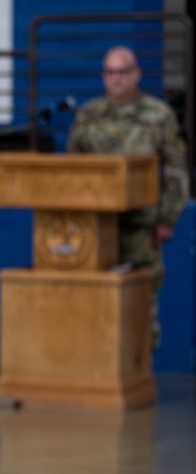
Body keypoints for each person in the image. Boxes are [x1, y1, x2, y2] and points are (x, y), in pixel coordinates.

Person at [66, 45, 190, 348]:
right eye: (110, 72)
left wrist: (167, 218)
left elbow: (176, 170)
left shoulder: (158, 115)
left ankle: (140, 365)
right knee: (96, 305)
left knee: (140, 307)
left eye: (122, 71)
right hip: (95, 230)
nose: (116, 78)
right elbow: (72, 169)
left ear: (137, 74)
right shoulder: (88, 115)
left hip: (140, 228)